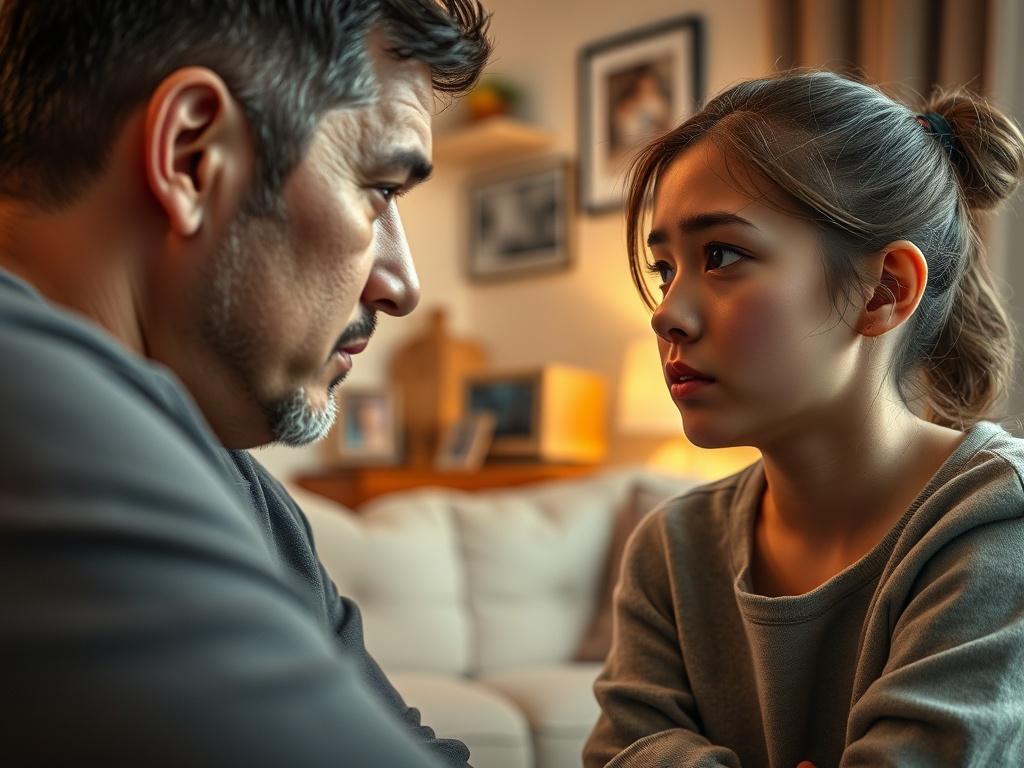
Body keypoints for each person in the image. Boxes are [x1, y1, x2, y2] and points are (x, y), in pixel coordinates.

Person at [0, 1, 490, 765]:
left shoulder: (244, 491)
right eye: (380, 188)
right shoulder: (24, 405)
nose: (402, 284)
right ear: (194, 154)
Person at [583, 70, 1024, 768]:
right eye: (666, 269)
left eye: (721, 255)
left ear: (884, 291)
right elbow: (621, 750)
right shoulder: (671, 548)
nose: (664, 311)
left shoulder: (999, 523)